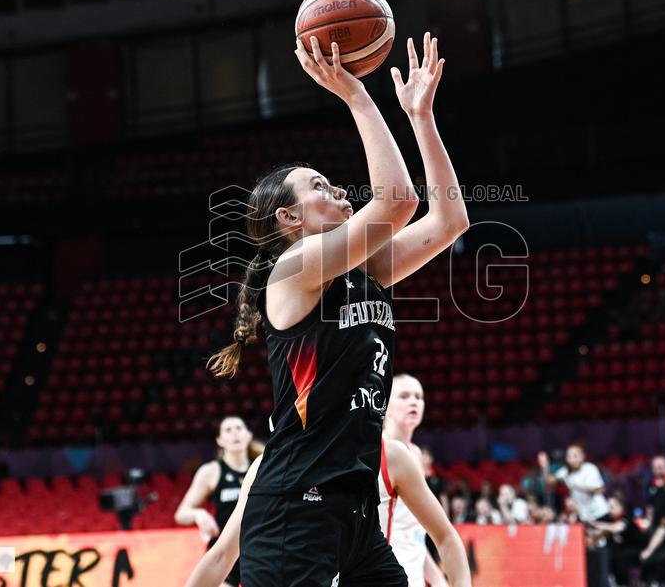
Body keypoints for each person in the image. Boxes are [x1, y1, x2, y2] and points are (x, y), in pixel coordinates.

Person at [205, 32, 468, 587]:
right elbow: (397, 200)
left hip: (355, 509)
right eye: (319, 187)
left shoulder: (364, 269)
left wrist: (422, 117)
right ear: (289, 220)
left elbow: (450, 222)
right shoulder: (292, 273)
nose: (339, 191)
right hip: (293, 510)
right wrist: (355, 94)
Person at [185, 439, 472, 587]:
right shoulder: (270, 467)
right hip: (312, 567)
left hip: (375, 561)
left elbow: (443, 536)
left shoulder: (390, 455)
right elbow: (222, 553)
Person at [174, 417, 261, 587]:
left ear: (248, 435)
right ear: (219, 440)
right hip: (225, 556)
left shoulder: (263, 468)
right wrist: (198, 514)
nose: (235, 433)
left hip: (258, 556)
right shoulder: (211, 471)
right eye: (228, 430)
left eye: (239, 428)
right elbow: (180, 514)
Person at [381, 374, 450, 587]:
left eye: (418, 397)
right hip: (381, 573)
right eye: (404, 396)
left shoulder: (416, 455)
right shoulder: (375, 450)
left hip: (413, 575)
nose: (414, 402)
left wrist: (439, 581)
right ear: (386, 404)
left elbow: (415, 534)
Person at [538, 444, 609, 522]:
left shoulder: (590, 469)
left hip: (600, 513)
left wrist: (577, 485)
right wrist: (545, 466)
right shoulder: (565, 471)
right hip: (585, 516)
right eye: (569, 456)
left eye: (575, 456)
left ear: (582, 457)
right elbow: (549, 481)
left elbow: (599, 490)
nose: (572, 459)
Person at [587, 497, 648, 587]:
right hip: (616, 551)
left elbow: (616, 527)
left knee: (621, 557)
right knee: (603, 553)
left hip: (633, 549)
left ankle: (623, 583)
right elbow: (594, 527)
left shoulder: (627, 517)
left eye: (612, 507)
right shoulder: (607, 517)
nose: (610, 510)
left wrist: (597, 525)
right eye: (609, 507)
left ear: (620, 507)